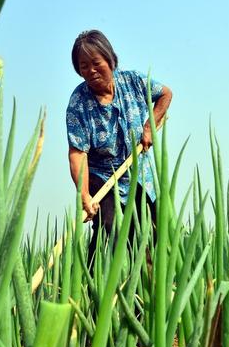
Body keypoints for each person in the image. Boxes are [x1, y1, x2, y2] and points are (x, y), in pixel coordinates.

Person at [66, 30, 172, 266]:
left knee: (149, 234)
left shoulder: (132, 81)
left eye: (96, 63)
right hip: (103, 178)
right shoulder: (78, 103)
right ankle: (95, 287)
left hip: (138, 173)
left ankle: (144, 294)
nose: (91, 71)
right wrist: (84, 194)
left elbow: (165, 94)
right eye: (83, 66)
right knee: (109, 229)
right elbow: (78, 153)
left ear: (110, 60)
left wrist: (148, 127)